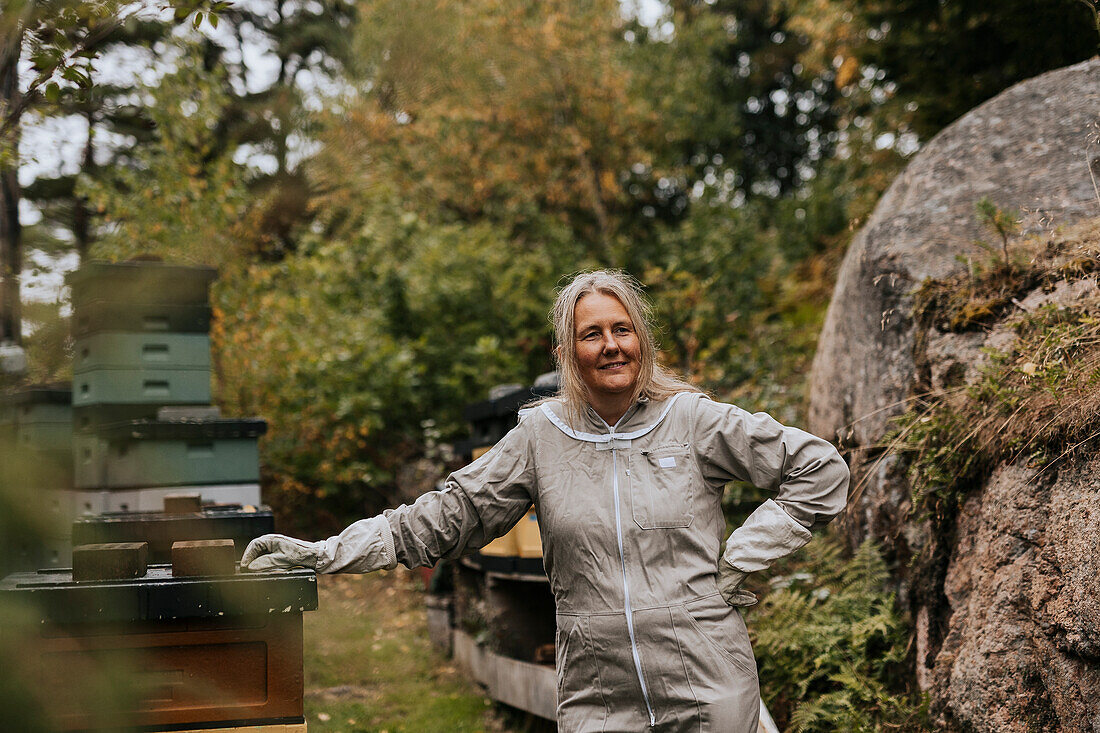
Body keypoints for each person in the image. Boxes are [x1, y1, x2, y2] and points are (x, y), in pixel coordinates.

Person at [242, 269, 849, 732]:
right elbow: (443, 519)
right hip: (600, 702)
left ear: (643, 340)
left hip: (711, 691)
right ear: (566, 355)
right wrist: (326, 553)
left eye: (623, 329)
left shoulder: (694, 421)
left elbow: (818, 469)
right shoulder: (539, 438)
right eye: (592, 334)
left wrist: (745, 556)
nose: (611, 345)